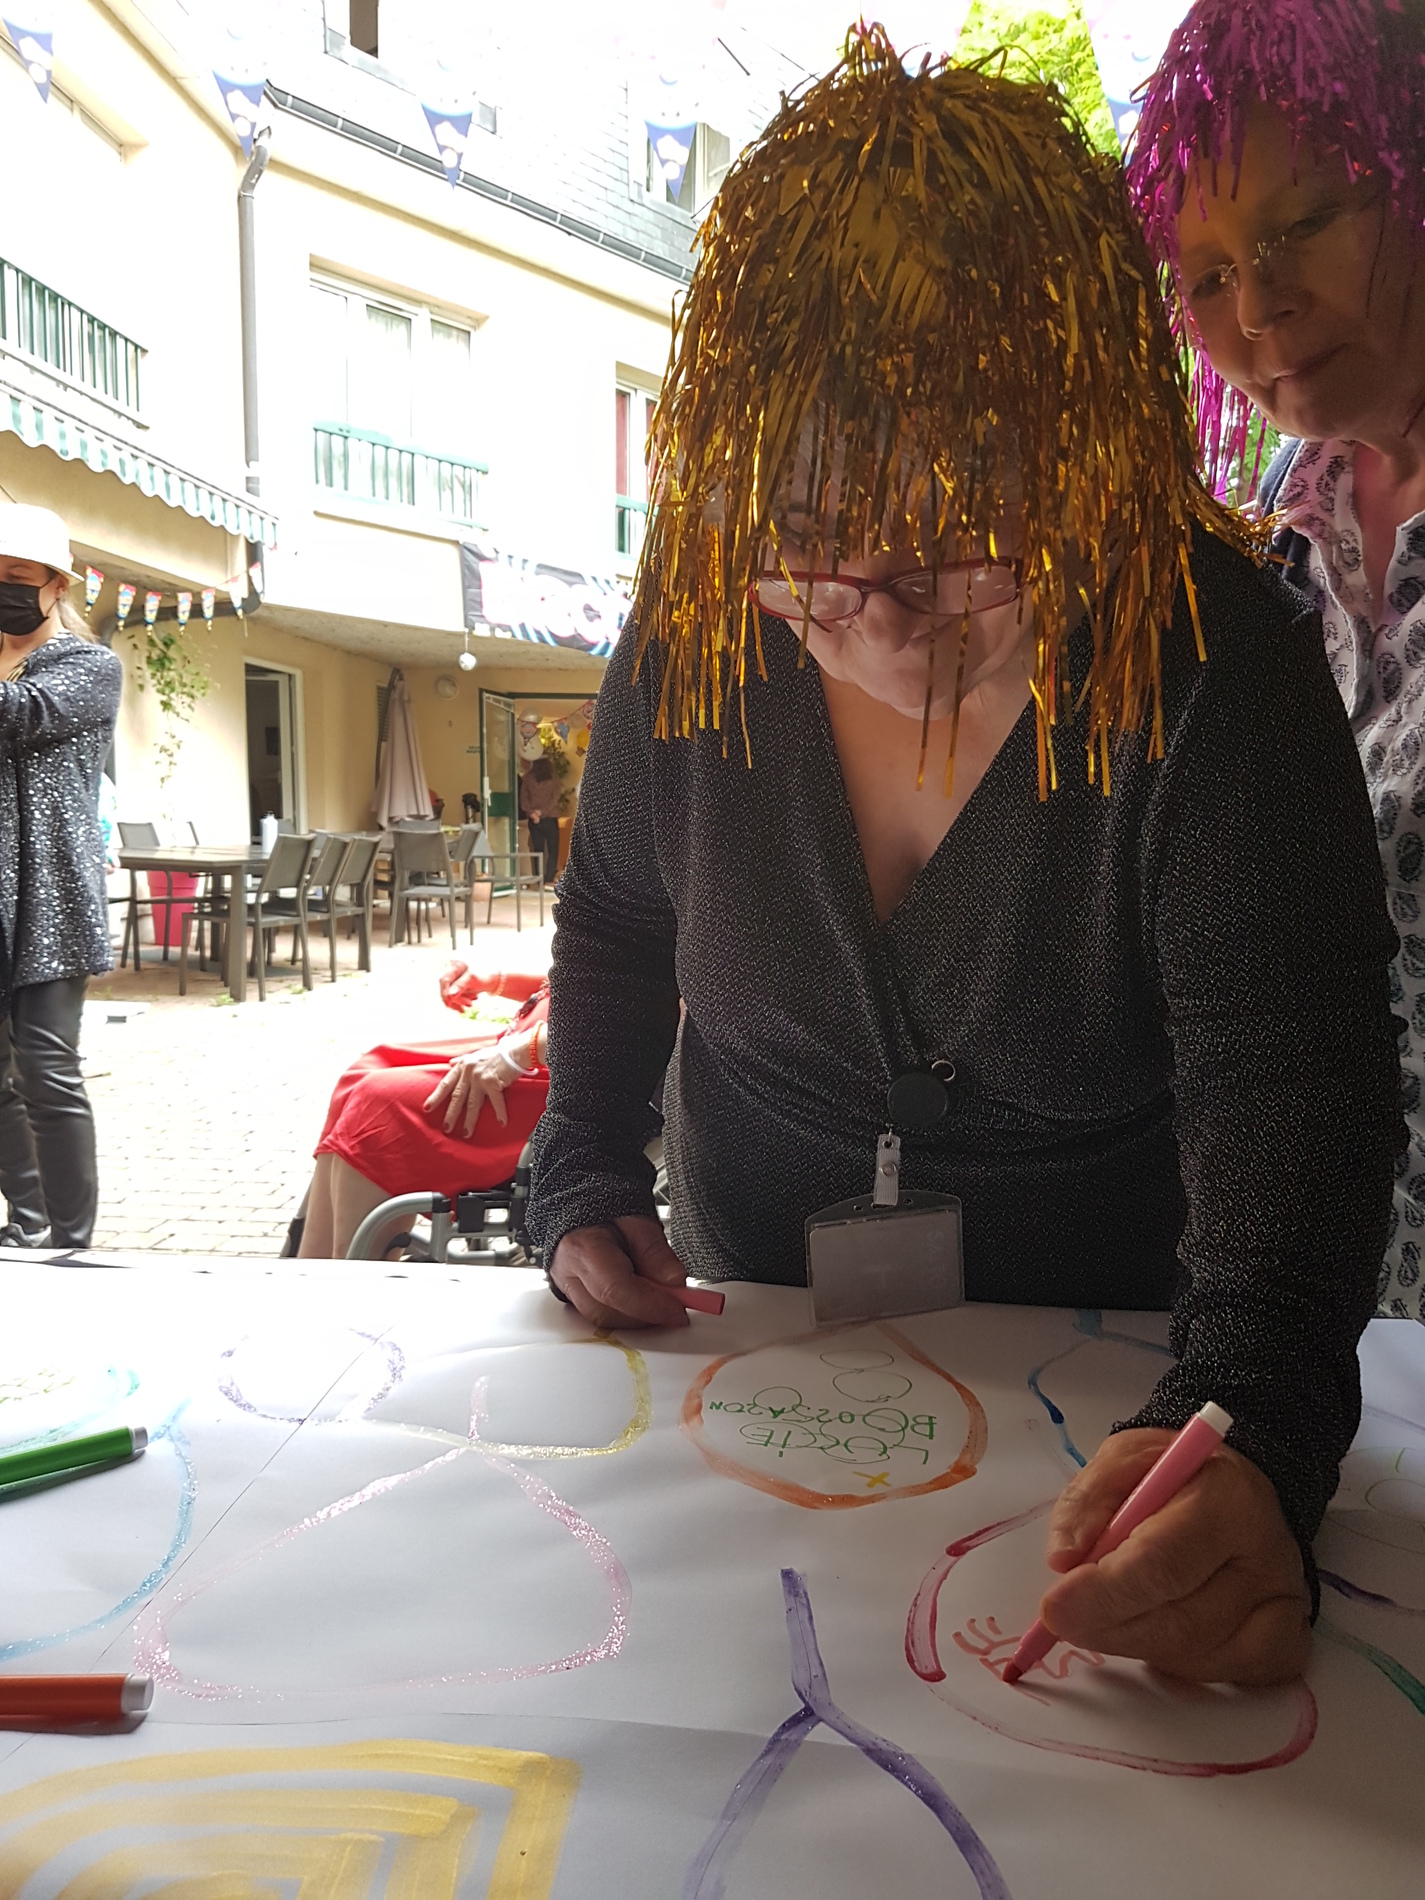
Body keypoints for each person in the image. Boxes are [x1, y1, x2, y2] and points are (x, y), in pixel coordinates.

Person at [527, 36, 1402, 1687]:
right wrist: (579, 1172)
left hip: (1106, 1408)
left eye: (961, 556)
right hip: (732, 1389)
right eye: (812, 558)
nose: (880, 629)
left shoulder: (1219, 671)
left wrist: (1250, 1428)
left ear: (1093, 460)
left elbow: (1296, 1091)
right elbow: (621, 922)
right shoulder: (701, 628)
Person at [1125, 0, 1425, 1320]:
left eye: (1303, 224)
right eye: (1204, 276)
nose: (1257, 305)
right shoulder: (1271, 547)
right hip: (1315, 1321)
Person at [0, 504, 122, 1249]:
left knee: (46, 1070)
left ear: (55, 585)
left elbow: (21, 712)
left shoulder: (87, 666)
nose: (3, 588)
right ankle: (29, 1221)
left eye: (15, 575)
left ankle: (72, 1242)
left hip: (50, 897)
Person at [296, 960, 549, 1258]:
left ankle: (354, 1276)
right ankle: (313, 1266)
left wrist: (524, 1050)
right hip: (538, 1039)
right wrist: (494, 981)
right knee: (367, 1070)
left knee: (379, 1103)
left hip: (563, 1072)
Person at [518, 757, 561, 882]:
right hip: (550, 818)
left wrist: (532, 813)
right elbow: (555, 799)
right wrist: (542, 812)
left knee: (537, 850)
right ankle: (549, 877)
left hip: (534, 820)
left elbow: (523, 800)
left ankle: (538, 877)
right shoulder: (553, 778)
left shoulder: (527, 778)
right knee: (553, 850)